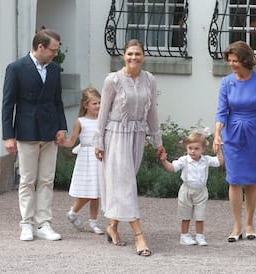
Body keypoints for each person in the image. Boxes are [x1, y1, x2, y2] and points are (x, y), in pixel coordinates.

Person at [92, 39, 165, 256]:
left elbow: (152, 112)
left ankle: (112, 227)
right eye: (130, 54)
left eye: (138, 54)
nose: (134, 58)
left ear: (143, 56)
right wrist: (98, 141)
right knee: (125, 186)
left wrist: (157, 142)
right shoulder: (112, 80)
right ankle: (139, 237)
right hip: (115, 137)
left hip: (137, 136)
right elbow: (103, 113)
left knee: (125, 183)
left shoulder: (149, 80)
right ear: (124, 55)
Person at [2, 28, 67, 241]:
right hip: (26, 130)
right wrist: (8, 136)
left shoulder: (55, 69)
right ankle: (27, 224)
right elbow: (8, 104)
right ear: (40, 47)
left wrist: (62, 127)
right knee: (27, 180)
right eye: (52, 50)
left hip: (49, 130)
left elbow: (57, 101)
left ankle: (44, 223)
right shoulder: (16, 68)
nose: (55, 54)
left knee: (47, 180)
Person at [213, 40, 256, 242]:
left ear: (246, 60)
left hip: (255, 134)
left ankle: (249, 223)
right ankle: (236, 225)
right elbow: (222, 112)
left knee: (252, 181)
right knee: (235, 180)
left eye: (236, 60)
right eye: (230, 60)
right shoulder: (226, 82)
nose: (232, 64)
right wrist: (217, 134)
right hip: (232, 135)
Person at [160, 132, 224, 246]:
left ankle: (200, 236)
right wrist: (164, 161)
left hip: (201, 191)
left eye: (196, 148)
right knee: (186, 214)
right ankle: (184, 236)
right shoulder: (184, 160)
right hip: (187, 190)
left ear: (203, 149)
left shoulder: (206, 160)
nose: (193, 151)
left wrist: (219, 149)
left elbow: (219, 162)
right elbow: (173, 168)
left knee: (200, 215)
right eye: (190, 148)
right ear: (186, 147)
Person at [61, 87, 104, 235]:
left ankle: (93, 221)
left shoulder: (102, 121)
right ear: (86, 105)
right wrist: (59, 141)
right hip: (86, 158)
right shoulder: (80, 122)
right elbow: (71, 141)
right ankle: (73, 212)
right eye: (94, 103)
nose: (98, 106)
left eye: (99, 103)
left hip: (99, 157)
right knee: (89, 192)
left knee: (96, 192)